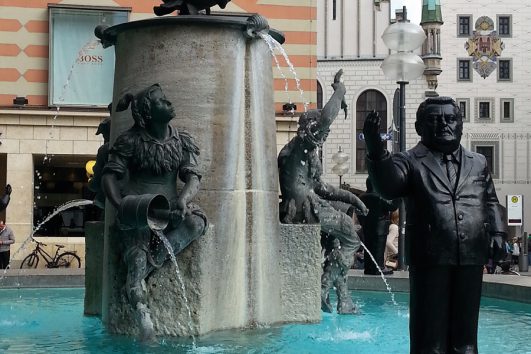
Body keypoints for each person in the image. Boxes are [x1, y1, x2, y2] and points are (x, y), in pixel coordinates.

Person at [363, 96, 508, 354]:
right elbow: (388, 187)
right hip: (431, 255)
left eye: (450, 119)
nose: (444, 125)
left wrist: (497, 232)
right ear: (420, 127)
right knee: (430, 338)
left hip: (471, 254)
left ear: (461, 125)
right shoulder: (409, 160)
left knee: (466, 337)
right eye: (434, 120)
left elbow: (491, 200)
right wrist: (376, 150)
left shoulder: (478, 162)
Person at [101, 84, 208, 339]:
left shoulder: (180, 140)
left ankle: (143, 273)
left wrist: (183, 200)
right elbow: (109, 176)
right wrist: (121, 206)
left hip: (171, 209)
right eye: (161, 101)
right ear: (147, 113)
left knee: (196, 224)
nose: (169, 103)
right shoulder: (130, 140)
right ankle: (142, 314)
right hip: (138, 210)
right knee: (136, 252)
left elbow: (193, 176)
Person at [278, 69, 368, 314]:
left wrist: (354, 200)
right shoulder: (298, 148)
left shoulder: (302, 155)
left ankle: (343, 299)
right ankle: (322, 288)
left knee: (336, 243)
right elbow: (326, 119)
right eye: (321, 133)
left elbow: (323, 188)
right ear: (309, 129)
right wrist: (339, 90)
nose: (324, 136)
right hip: (305, 208)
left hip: (305, 204)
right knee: (350, 235)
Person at [357, 178, 399, 275]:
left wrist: (363, 222)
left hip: (367, 227)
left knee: (369, 248)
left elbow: (358, 211)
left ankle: (368, 268)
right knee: (378, 248)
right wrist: (397, 195)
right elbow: (393, 207)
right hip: (380, 226)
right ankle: (379, 268)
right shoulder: (379, 197)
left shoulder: (361, 197)